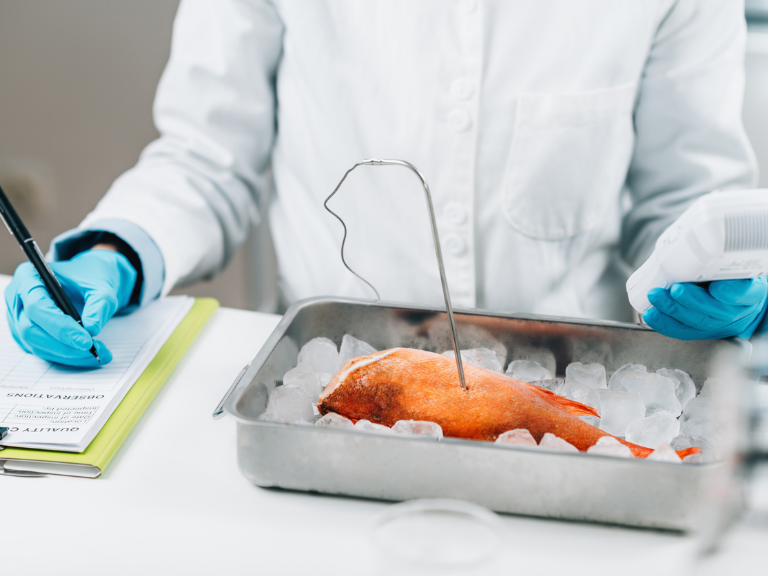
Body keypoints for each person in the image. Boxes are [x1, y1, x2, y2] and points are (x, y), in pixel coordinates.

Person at [5, 0, 768, 367]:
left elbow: (683, 199)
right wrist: (117, 249)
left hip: (583, 399)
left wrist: (723, 279)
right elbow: (208, 157)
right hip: (330, 384)